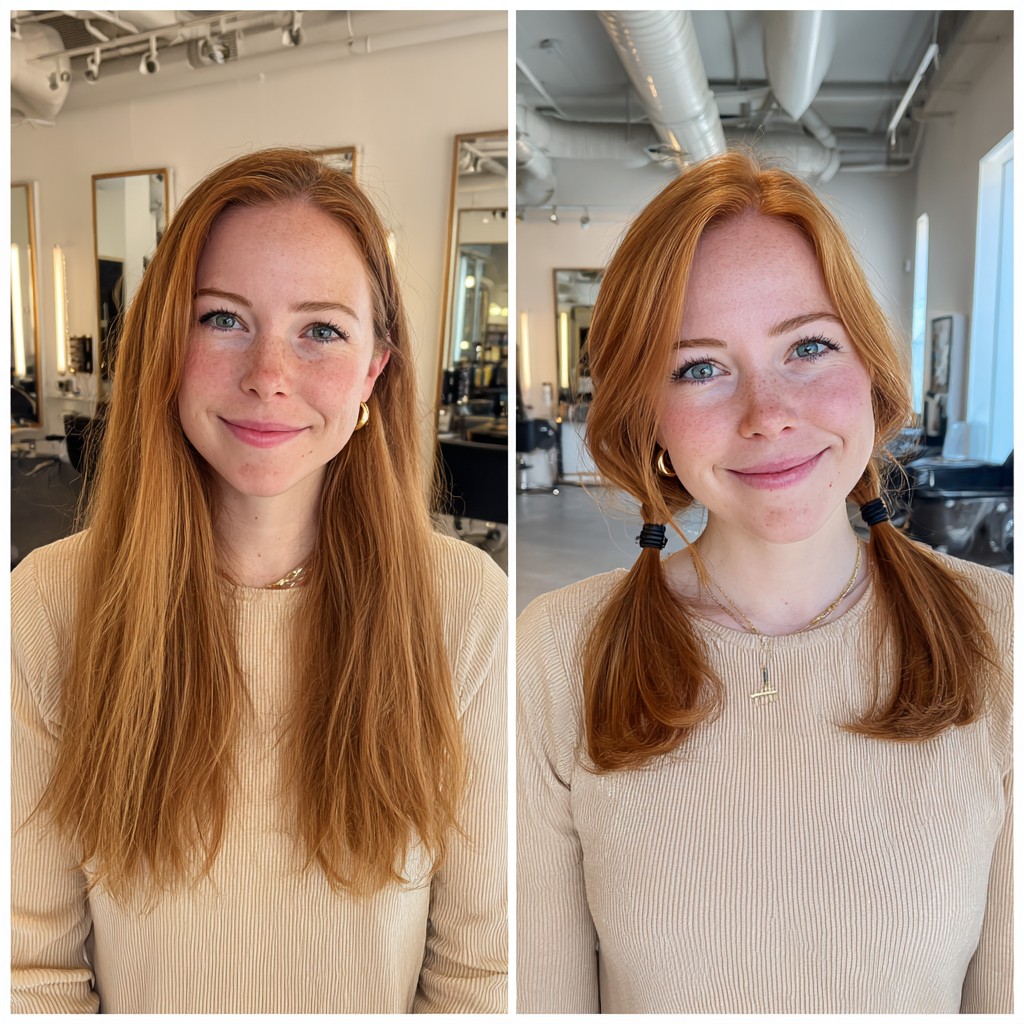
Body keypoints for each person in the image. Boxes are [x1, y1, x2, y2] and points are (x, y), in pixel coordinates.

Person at [12, 148, 507, 1014]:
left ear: (373, 372)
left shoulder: (464, 607)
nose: (268, 375)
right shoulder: (49, 603)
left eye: (320, 329)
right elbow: (31, 969)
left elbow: (480, 976)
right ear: (166, 345)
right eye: (222, 319)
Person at [517, 150, 1011, 1014]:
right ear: (648, 415)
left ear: (870, 370)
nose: (768, 412)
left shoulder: (1004, 638)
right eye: (699, 367)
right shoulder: (558, 653)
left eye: (808, 346)